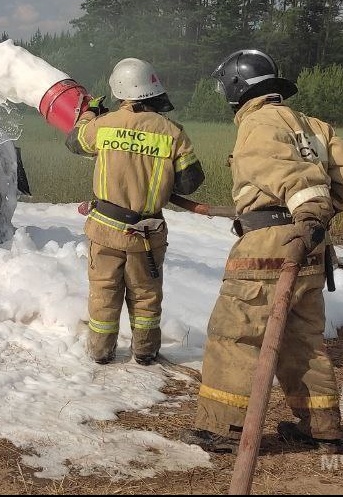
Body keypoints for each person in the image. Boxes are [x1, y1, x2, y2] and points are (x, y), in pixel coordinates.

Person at [181, 49, 343, 455]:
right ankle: (322, 427)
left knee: (236, 333)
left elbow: (289, 175)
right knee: (303, 340)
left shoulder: (259, 122)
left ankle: (220, 428)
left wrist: (310, 210)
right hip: (310, 249)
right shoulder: (315, 126)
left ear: (237, 87)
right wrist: (320, 217)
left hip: (270, 246)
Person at [66, 58, 205, 365]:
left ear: (119, 90)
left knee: (104, 292)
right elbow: (191, 181)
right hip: (147, 233)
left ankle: (100, 351)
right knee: (145, 295)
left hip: (105, 229)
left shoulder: (103, 125)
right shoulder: (173, 132)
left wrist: (89, 113)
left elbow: (74, 142)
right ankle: (145, 351)